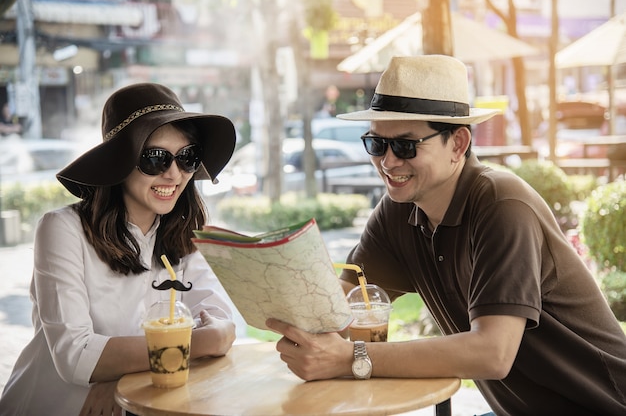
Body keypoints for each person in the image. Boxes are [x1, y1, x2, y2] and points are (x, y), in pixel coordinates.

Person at [266, 55, 626, 415]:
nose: (388, 162)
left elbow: (492, 353)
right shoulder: (400, 207)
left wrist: (352, 358)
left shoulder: (502, 205)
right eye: (377, 144)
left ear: (457, 144)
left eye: (405, 146)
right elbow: (339, 310)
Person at [0, 83, 238, 415]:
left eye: (187, 157)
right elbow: (76, 355)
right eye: (155, 158)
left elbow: (222, 323)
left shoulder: (185, 235)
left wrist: (124, 379)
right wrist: (198, 342)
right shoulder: (62, 230)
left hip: (141, 403)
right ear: (119, 161)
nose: (174, 173)